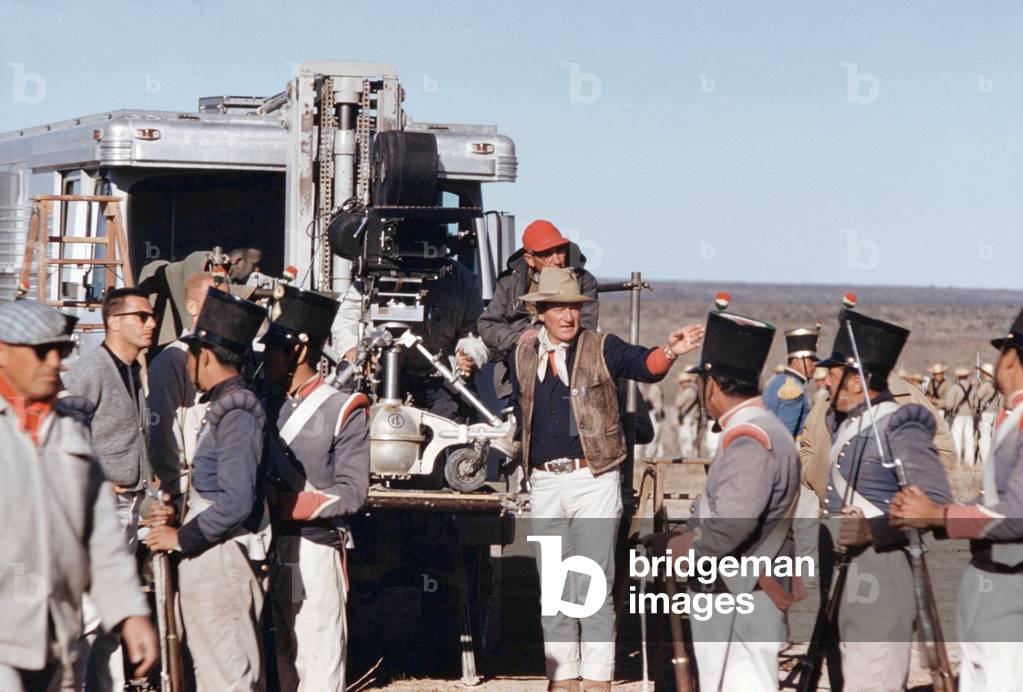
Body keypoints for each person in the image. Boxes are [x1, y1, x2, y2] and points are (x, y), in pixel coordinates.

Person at [508, 267, 703, 692]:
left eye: (574, 307)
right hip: (544, 482)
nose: (568, 316)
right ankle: (562, 679)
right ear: (540, 312)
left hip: (593, 477)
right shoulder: (524, 351)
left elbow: (645, 365)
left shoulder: (602, 347)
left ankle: (597, 680)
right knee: (555, 589)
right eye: (558, 308)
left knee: (593, 584)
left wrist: (670, 352)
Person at [0, 300, 157, 692]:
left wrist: (129, 612)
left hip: (56, 636)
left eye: (60, 350)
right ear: (3, 353)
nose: (54, 362)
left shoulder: (68, 431)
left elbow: (101, 534)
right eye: (41, 351)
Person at [659, 310, 802, 692]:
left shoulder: (750, 437)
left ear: (712, 385)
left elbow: (731, 525)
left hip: (738, 593)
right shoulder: (760, 429)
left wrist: (680, 548)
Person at [815, 307, 952, 692]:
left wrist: (873, 530)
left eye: (834, 374)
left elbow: (936, 505)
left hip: (883, 572)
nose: (826, 382)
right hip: (846, 575)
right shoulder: (846, 421)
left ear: (856, 380)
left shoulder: (899, 424)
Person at [890, 308, 1023, 691]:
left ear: (1011, 358)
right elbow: (996, 497)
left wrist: (939, 514)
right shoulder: (1014, 415)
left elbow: (1017, 513)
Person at [144, 289, 269, 691]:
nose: (187, 365)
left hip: (221, 558)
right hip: (212, 554)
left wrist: (181, 538)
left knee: (228, 677)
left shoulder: (237, 412)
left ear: (207, 357)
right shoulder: (226, 405)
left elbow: (235, 501)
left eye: (191, 355)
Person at [261, 285, 371, 691]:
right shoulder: (265, 403)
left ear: (298, 350)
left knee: (319, 656)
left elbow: (352, 492)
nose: (266, 358)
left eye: (274, 349)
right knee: (282, 660)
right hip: (272, 549)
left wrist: (284, 505)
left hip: (314, 548)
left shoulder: (344, 407)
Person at [62, 286, 155, 690]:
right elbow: (64, 431)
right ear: (114, 322)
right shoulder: (93, 369)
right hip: (101, 509)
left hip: (128, 508)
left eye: (151, 316)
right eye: (142, 316)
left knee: (112, 617)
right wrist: (97, 483)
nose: (151, 323)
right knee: (89, 613)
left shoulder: (134, 371)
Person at [478, 219, 599, 400]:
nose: (556, 260)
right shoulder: (509, 282)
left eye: (560, 251)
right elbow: (487, 324)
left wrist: (548, 341)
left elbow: (587, 325)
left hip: (569, 366)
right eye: (546, 255)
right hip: (517, 367)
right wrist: (518, 339)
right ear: (530, 259)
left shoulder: (583, 281)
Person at [147, 271, 221, 504]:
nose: (226, 310)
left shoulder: (233, 359)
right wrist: (179, 488)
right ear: (192, 307)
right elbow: (163, 431)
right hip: (191, 491)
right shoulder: (172, 360)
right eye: (217, 301)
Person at [763, 326, 818, 437]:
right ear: (796, 360)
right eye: (811, 360)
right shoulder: (792, 389)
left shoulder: (779, 379)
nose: (815, 365)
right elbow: (786, 435)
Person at [946, 366, 977, 465]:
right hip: (969, 415)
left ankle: (957, 461)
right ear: (967, 376)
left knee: (957, 438)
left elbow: (949, 405)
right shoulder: (973, 388)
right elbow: (976, 403)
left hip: (958, 415)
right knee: (969, 438)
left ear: (958, 377)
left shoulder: (955, 388)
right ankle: (970, 461)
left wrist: (950, 410)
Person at [974, 362, 1001, 465]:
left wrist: (976, 408)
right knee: (990, 436)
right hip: (994, 413)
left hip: (985, 414)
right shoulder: (996, 385)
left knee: (984, 438)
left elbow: (977, 398)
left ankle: (986, 462)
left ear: (985, 374)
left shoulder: (985, 385)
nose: (981, 374)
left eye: (982, 372)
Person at [675, 372, 700, 457]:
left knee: (686, 440)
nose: (681, 384)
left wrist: (679, 392)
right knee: (691, 440)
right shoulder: (694, 390)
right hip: (691, 418)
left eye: (682, 382)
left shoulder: (689, 391)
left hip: (688, 418)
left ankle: (689, 459)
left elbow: (678, 402)